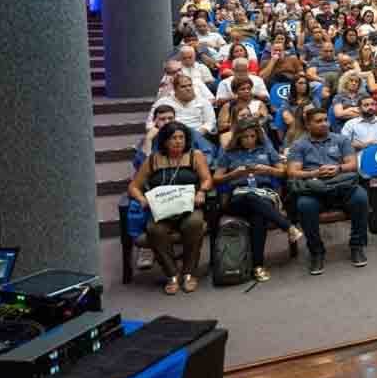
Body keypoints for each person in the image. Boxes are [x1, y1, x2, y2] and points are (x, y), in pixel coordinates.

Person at [126, 122, 212, 295]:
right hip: (162, 210)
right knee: (154, 229)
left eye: (181, 138)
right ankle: (171, 274)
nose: (178, 141)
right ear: (164, 141)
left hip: (188, 207)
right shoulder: (153, 160)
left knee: (194, 223)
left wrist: (202, 191)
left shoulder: (195, 155)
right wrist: (141, 199)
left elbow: (207, 179)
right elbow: (134, 186)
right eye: (173, 138)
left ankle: (189, 273)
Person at [212, 120, 303, 282]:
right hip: (238, 198)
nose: (249, 139)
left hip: (265, 194)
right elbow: (217, 179)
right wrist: (234, 174)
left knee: (258, 216)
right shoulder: (229, 153)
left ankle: (258, 266)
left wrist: (267, 169)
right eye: (245, 137)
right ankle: (288, 227)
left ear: (257, 136)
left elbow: (283, 172)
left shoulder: (266, 149)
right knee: (249, 196)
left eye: (252, 136)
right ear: (238, 137)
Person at [287, 109, 370, 275]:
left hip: (341, 185)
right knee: (305, 206)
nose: (324, 123)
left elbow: (353, 165)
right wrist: (315, 173)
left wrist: (338, 168)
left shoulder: (341, 140)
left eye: (326, 119)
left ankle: (357, 246)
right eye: (318, 121)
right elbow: (293, 172)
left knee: (360, 197)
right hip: (314, 189)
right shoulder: (299, 145)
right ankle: (317, 252)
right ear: (308, 124)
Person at [148, 73, 216, 136]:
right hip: (169, 136)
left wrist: (196, 134)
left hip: (197, 134)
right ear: (175, 89)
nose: (188, 88)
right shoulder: (163, 102)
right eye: (183, 86)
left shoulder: (203, 101)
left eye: (190, 85)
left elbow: (210, 122)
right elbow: (150, 123)